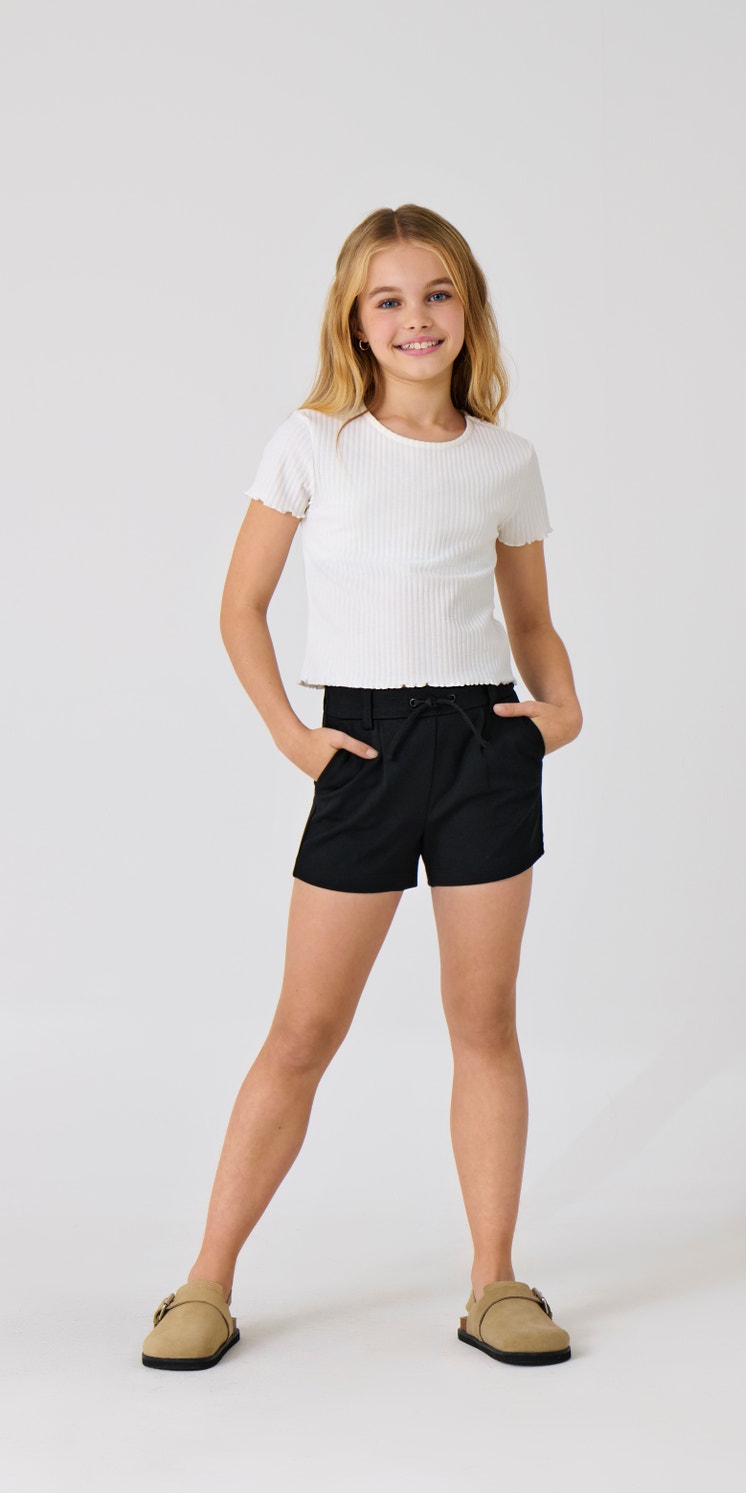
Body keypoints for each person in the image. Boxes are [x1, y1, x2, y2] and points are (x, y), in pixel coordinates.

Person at [141, 203, 583, 1373]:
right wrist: (294, 738)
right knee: (302, 1031)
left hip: (482, 745)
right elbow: (240, 607)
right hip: (363, 750)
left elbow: (530, 620)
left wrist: (562, 708)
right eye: (387, 299)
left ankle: (494, 1284)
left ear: (467, 310)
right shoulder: (312, 443)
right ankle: (204, 1283)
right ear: (353, 317)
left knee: (482, 1021)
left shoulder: (504, 461)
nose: (413, 318)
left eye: (436, 294)